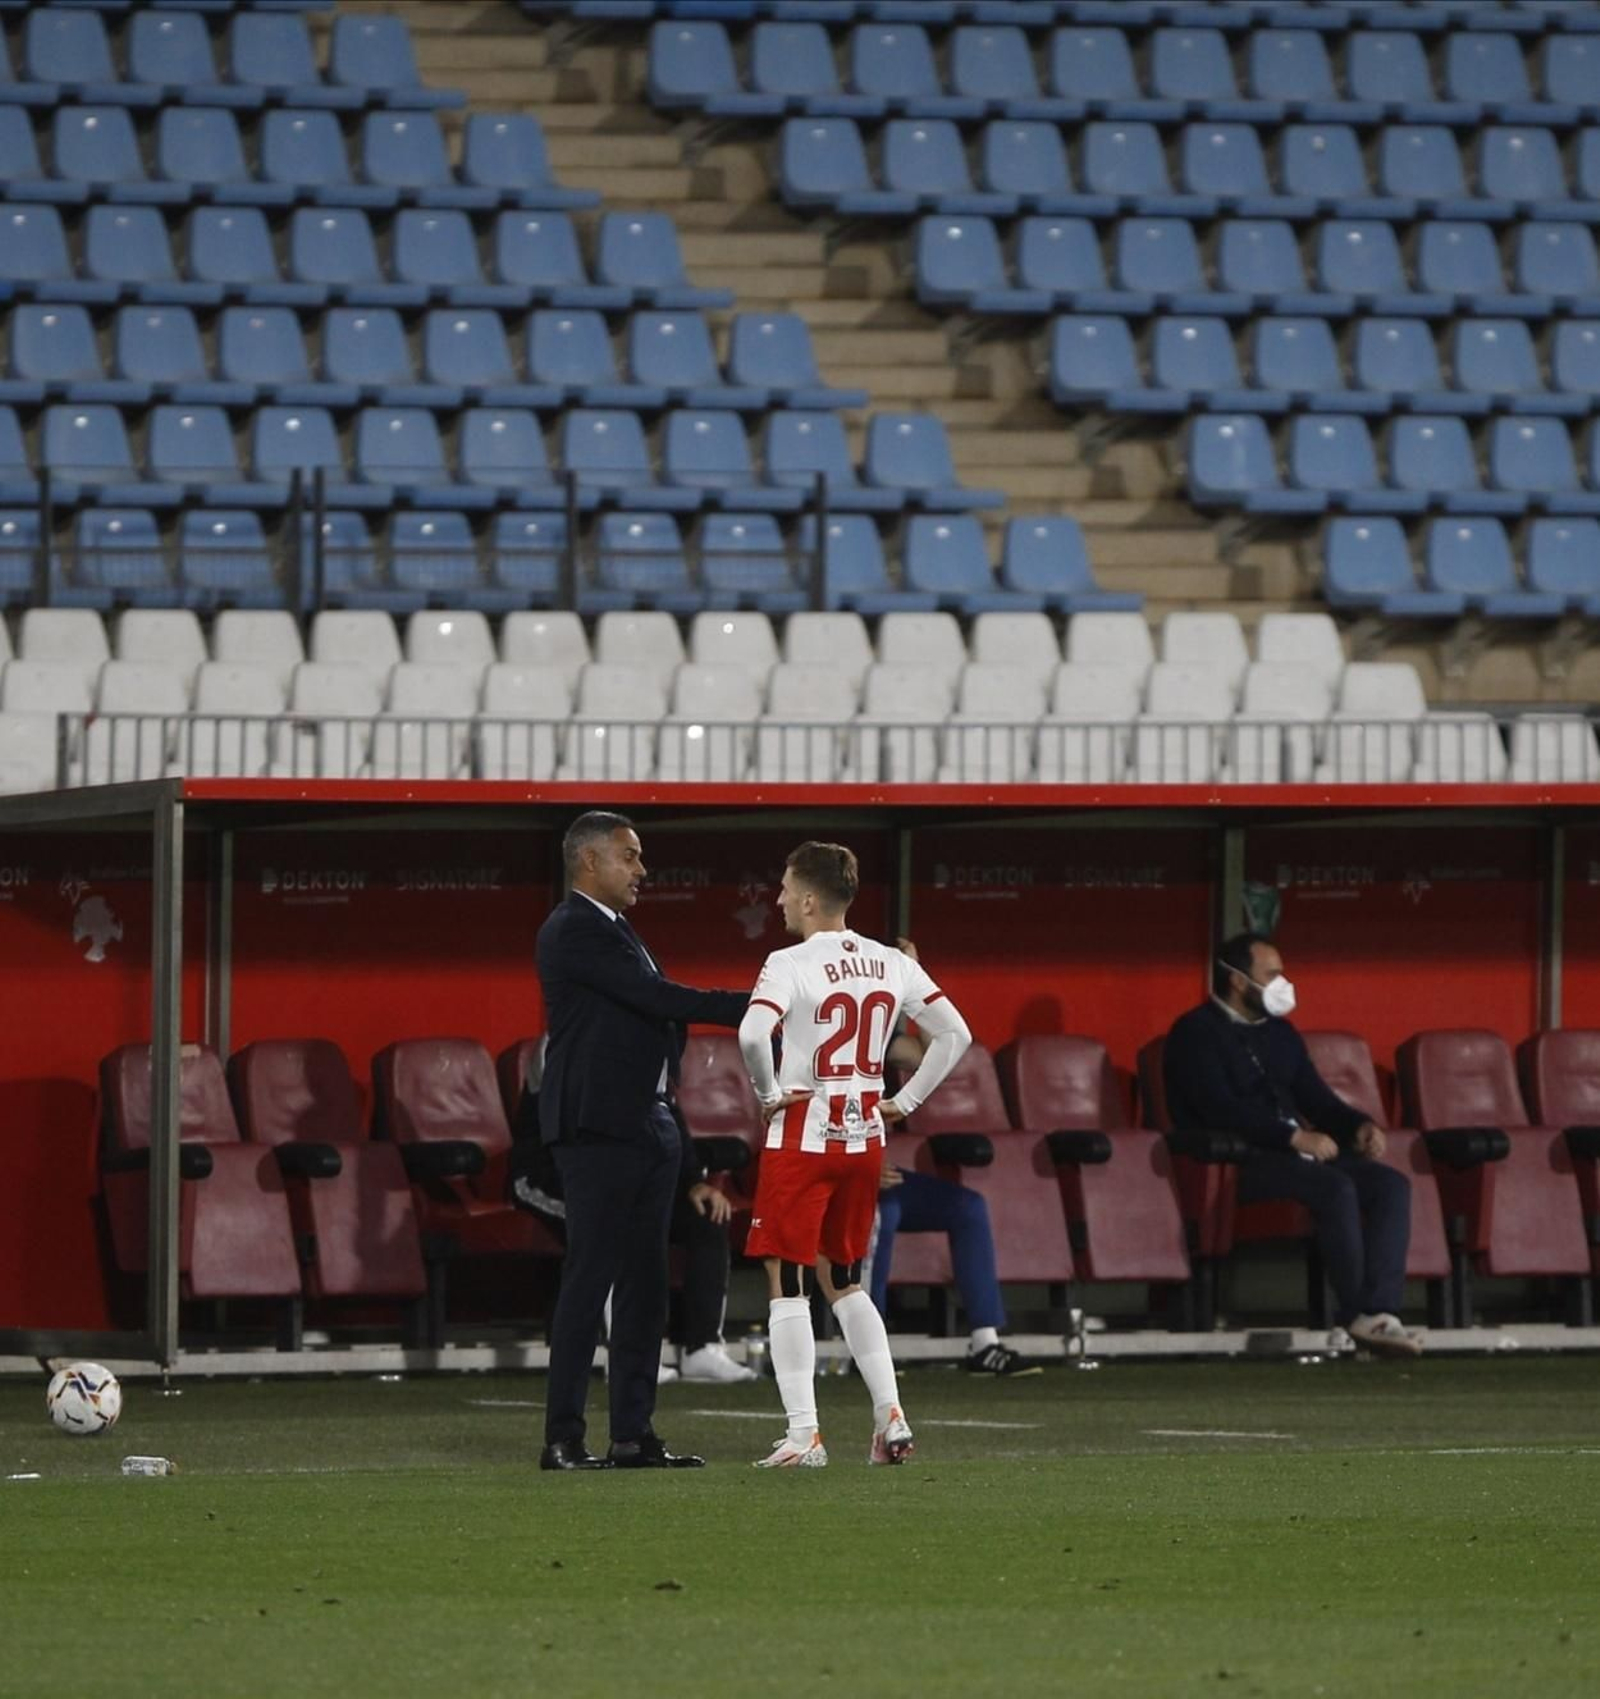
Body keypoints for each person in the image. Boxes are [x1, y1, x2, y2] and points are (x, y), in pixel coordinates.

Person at [737, 841, 973, 1468]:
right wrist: (908, 1101)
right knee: (842, 1279)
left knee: (787, 1283)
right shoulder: (890, 961)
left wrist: (768, 1094)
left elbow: (752, 1032)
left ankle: (803, 1434)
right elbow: (957, 1034)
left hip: (802, 1139)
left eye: (786, 888)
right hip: (864, 1138)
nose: (780, 898)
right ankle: (890, 1414)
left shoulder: (788, 961)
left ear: (810, 898)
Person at [536, 811, 750, 1471]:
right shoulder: (573, 927)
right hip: (600, 1129)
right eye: (630, 857)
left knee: (646, 1287)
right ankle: (563, 1439)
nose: (642, 870)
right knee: (590, 1280)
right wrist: (756, 1002)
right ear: (590, 862)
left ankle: (633, 1435)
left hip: (647, 1124)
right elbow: (655, 996)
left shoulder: (616, 929)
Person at [1162, 932, 1421, 1358]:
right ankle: (1358, 1314)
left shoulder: (1280, 1033)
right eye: (1273, 975)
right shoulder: (1194, 1033)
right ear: (1239, 981)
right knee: (1335, 1188)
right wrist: (1292, 1136)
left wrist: (1358, 1126)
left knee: (1390, 1184)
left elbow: (1316, 1098)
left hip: (1295, 1158)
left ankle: (1381, 1313)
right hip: (1237, 1164)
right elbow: (1218, 1108)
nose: (1284, 984)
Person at [874, 1013, 1039, 1378]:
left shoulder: (875, 1029)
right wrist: (856, 1170)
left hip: (871, 1169)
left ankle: (985, 1341)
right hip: (830, 1171)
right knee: (883, 1211)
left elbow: (927, 1054)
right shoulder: (821, 1038)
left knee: (967, 1208)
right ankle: (870, 1346)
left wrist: (916, 984)